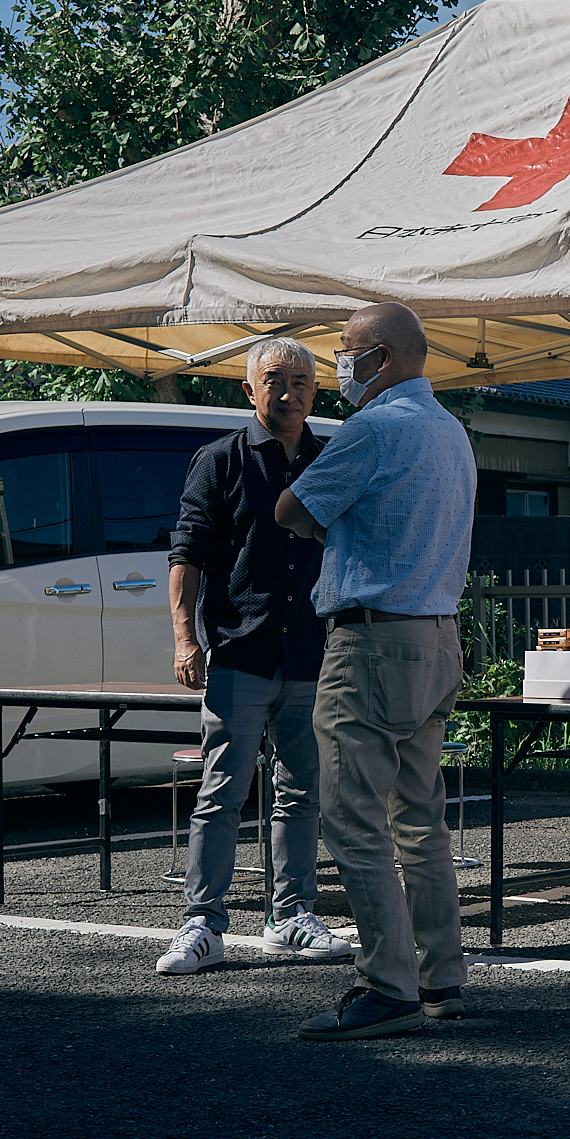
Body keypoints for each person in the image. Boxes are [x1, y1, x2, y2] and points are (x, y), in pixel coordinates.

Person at [275, 302, 476, 1040]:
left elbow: (292, 509)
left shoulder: (373, 428)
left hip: (370, 640)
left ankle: (386, 983)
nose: (338, 365)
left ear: (382, 358)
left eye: (346, 352)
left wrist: (338, 523)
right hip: (437, 636)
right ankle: (440, 976)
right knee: (420, 818)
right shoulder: (452, 432)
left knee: (353, 814)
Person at [155, 337, 355, 974]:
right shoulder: (220, 461)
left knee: (301, 793)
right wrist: (185, 639)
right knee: (222, 791)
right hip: (240, 650)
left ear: (314, 392)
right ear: (249, 389)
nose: (288, 391)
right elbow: (186, 553)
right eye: (274, 379)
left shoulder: (330, 459)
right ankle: (203, 924)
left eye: (300, 381)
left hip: (310, 654)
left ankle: (291, 916)